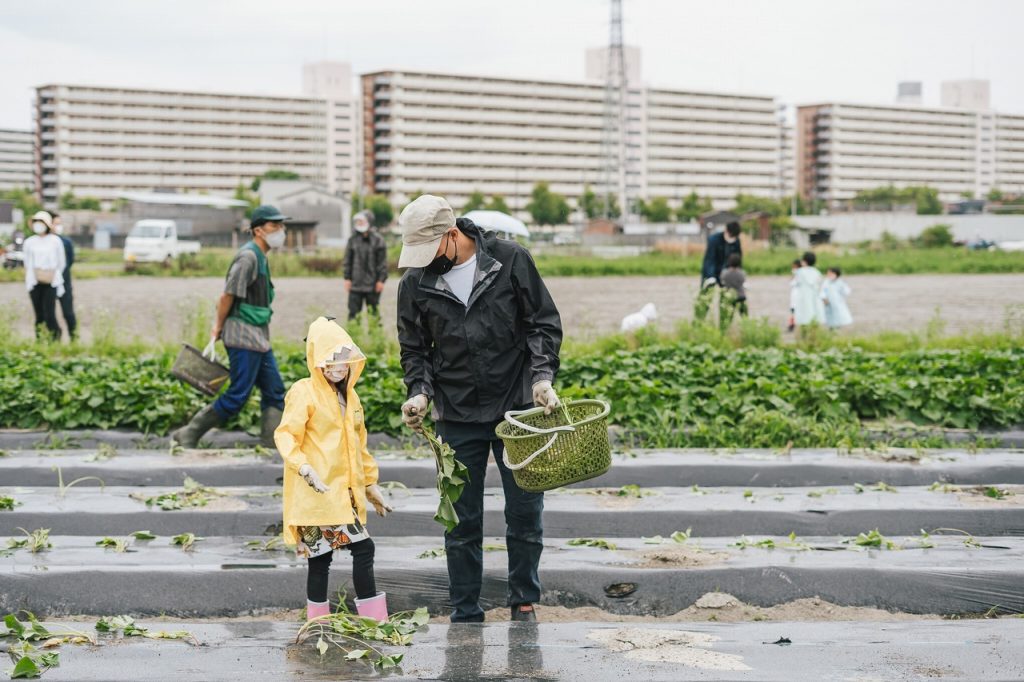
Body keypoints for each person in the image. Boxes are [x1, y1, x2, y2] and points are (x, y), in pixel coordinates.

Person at [395, 195, 563, 623]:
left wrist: (541, 377)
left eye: (428, 251)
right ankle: (465, 609)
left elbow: (542, 324)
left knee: (524, 510)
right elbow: (415, 350)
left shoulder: (509, 261)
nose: (423, 262)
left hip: (517, 409)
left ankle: (523, 599)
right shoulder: (415, 285)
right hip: (456, 412)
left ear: (451, 236)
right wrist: (419, 392)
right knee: (460, 518)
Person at [274, 316, 393, 621]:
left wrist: (370, 485)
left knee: (329, 556)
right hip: (318, 495)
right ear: (318, 361)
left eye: (343, 359)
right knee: (346, 552)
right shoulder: (304, 392)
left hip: (342, 495)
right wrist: (304, 469)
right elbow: (286, 434)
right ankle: (369, 621)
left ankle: (323, 622)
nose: (339, 367)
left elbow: (358, 444)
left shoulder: (350, 396)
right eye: (331, 360)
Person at [171, 205, 289, 449]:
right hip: (243, 336)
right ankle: (189, 433)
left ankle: (270, 443)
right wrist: (217, 327)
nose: (281, 230)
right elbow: (227, 296)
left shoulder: (260, 256)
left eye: (281, 225)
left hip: (258, 337)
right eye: (274, 226)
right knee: (238, 396)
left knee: (275, 390)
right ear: (258, 230)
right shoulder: (247, 257)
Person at [23, 211, 66, 340]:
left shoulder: (55, 241)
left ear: (47, 224)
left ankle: (55, 338)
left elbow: (61, 262)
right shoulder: (30, 242)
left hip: (51, 282)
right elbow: (27, 263)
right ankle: (40, 341)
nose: (38, 225)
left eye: (40, 222)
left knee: (49, 313)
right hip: (35, 282)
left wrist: (52, 274)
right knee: (39, 314)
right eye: (36, 222)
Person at [344, 210, 388, 320]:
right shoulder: (352, 239)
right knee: (353, 315)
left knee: (374, 314)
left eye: (361, 221)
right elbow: (347, 260)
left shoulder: (378, 240)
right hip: (355, 284)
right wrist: (347, 278)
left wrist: (381, 280)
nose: (359, 224)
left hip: (373, 285)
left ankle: (375, 335)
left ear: (369, 222)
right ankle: (354, 335)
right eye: (357, 222)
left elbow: (382, 262)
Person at [51, 213, 77, 341]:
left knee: (68, 312)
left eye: (59, 224)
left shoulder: (66, 242)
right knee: (49, 314)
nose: (58, 226)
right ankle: (56, 335)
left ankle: (74, 336)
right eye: (56, 223)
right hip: (48, 284)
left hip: (65, 282)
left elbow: (70, 260)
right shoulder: (43, 242)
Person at [700, 221, 742, 286]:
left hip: (726, 272)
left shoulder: (736, 241)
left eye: (734, 237)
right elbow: (710, 259)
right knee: (709, 290)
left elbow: (738, 259)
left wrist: (738, 274)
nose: (732, 239)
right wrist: (711, 276)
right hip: (713, 270)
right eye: (730, 236)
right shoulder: (714, 240)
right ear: (726, 231)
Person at [792, 251, 825, 327]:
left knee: (804, 313)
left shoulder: (800, 272)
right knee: (814, 311)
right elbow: (819, 283)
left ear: (804, 261)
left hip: (803, 295)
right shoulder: (817, 272)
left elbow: (795, 283)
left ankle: (804, 332)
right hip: (814, 295)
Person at [719, 252, 748, 319]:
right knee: (744, 316)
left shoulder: (724, 273)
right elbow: (743, 281)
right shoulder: (742, 273)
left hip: (729, 296)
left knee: (728, 317)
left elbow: (722, 281)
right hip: (741, 296)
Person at [787, 259, 801, 333]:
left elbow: (792, 283)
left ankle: (792, 325)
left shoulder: (798, 274)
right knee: (793, 311)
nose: (793, 268)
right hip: (795, 295)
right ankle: (792, 324)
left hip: (797, 295)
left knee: (794, 311)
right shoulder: (797, 273)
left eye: (794, 266)